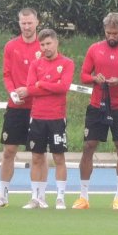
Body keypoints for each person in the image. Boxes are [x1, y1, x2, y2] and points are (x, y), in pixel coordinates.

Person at [76, 12, 118, 210]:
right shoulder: (95, 49)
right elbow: (83, 75)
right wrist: (94, 79)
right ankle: (83, 196)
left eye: (115, 33)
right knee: (89, 146)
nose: (111, 36)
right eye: (108, 33)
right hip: (97, 105)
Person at [16, 29, 74, 209]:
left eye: (48, 43)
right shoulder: (35, 64)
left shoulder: (66, 63)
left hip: (56, 117)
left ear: (56, 43)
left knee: (58, 157)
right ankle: (36, 197)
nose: (45, 47)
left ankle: (60, 197)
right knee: (36, 157)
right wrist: (46, 86)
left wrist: (41, 84)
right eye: (42, 44)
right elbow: (29, 88)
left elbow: (63, 87)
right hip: (38, 116)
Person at [0, 8, 39, 208]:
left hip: (38, 106)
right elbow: (7, 74)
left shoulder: (44, 45)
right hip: (15, 106)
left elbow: (48, 76)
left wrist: (30, 91)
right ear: (19, 23)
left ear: (37, 22)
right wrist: (12, 92)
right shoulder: (11, 46)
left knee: (38, 153)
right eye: (23, 23)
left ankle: (37, 197)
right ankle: (2, 196)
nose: (26, 27)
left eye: (30, 23)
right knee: (9, 150)